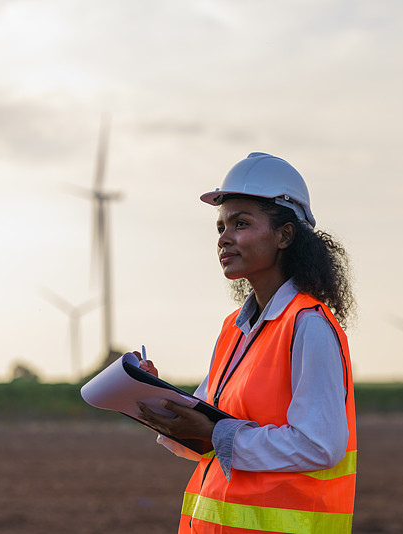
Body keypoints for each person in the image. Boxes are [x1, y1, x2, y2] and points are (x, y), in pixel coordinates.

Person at [136, 152, 357, 533]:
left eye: (241, 224)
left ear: (285, 235)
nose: (224, 239)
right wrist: (158, 400)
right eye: (220, 227)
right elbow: (207, 431)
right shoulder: (233, 329)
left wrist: (214, 433)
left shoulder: (309, 325)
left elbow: (320, 445)